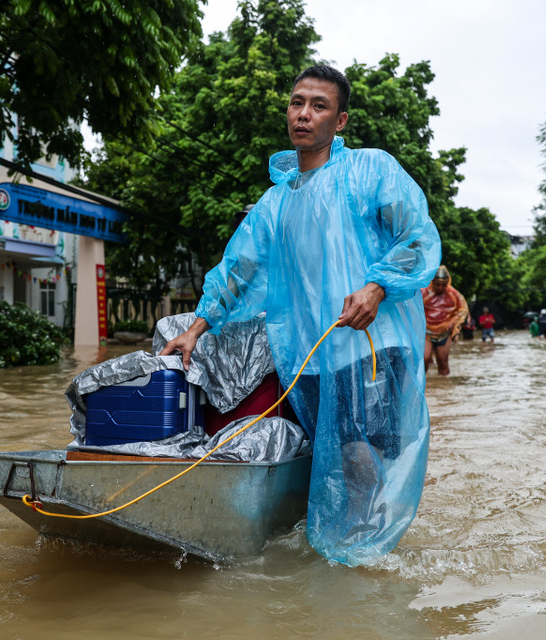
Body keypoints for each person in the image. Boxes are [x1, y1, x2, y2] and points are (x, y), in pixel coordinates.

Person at [159, 65, 441, 566]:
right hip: (310, 356)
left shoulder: (371, 169)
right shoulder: (274, 204)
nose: (304, 114)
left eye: (319, 105)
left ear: (341, 120)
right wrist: (195, 329)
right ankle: (339, 551)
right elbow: (238, 270)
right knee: (330, 457)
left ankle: (361, 562)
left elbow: (417, 237)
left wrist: (377, 287)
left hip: (368, 343)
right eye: (297, 103)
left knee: (359, 453)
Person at [421, 266, 468, 375]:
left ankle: (445, 388)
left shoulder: (454, 294)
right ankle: (426, 386)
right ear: (432, 282)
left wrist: (453, 323)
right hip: (426, 332)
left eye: (443, 285)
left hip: (444, 333)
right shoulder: (423, 293)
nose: (440, 287)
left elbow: (462, 310)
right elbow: (414, 310)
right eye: (437, 284)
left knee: (443, 362)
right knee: (424, 358)